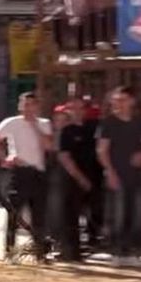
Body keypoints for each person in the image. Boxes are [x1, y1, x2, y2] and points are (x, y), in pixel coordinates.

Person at [0, 92, 54, 264]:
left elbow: (49, 146)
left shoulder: (44, 124)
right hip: (21, 171)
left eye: (32, 104)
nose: (28, 108)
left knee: (39, 215)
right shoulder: (12, 123)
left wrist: (35, 127)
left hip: (39, 172)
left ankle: (40, 254)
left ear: (37, 107)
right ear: (20, 106)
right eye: (25, 104)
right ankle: (10, 252)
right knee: (14, 214)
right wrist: (4, 159)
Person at [96, 86, 141, 267]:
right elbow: (102, 150)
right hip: (117, 175)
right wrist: (110, 172)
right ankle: (117, 252)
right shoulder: (109, 123)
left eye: (122, 100)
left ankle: (133, 252)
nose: (118, 104)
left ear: (132, 101)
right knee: (118, 215)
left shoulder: (139, 122)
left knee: (138, 215)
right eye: (115, 101)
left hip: (138, 177)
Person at [58, 98, 102, 262]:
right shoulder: (66, 131)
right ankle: (71, 251)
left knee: (96, 212)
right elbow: (65, 157)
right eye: (73, 108)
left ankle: (93, 244)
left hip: (95, 177)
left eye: (80, 108)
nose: (77, 111)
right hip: (74, 180)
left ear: (85, 110)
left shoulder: (94, 128)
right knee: (71, 215)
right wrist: (80, 178)